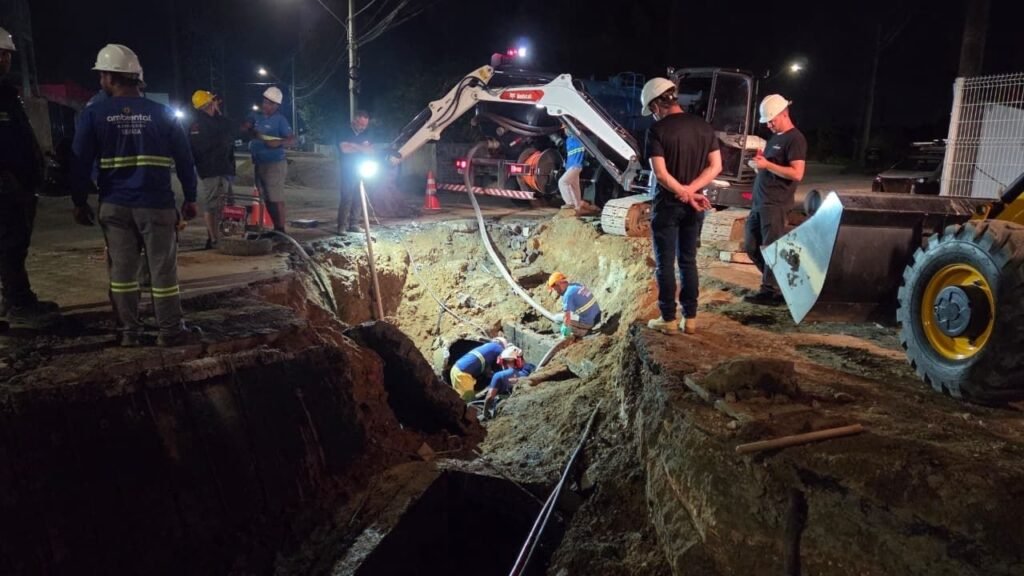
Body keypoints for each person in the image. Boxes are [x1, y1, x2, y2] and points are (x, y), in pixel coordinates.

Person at [71, 43, 200, 347]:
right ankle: (170, 331)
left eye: (101, 75)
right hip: (156, 205)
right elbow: (185, 160)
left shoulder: (93, 114)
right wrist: (191, 197)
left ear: (109, 76)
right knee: (162, 270)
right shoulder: (163, 114)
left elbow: (78, 161)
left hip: (114, 206)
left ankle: (130, 332)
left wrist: (78, 201)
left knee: (122, 272)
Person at [640, 77, 722, 336]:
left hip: (668, 205)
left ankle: (668, 318)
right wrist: (693, 191)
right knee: (688, 261)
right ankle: (691, 318)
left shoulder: (658, 131)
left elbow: (662, 175)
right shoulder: (704, 127)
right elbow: (716, 166)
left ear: (655, 105)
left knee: (665, 263)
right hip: (694, 206)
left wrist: (683, 193)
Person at [0, 27, 59, 326]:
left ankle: (15, 298)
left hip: (17, 184)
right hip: (6, 187)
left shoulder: (6, 93)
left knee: (13, 244)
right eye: (2, 54)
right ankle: (18, 303)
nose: (7, 60)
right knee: (10, 244)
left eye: (7, 54)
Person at [744, 94, 806, 305]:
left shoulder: (795, 139)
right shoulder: (775, 138)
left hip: (776, 203)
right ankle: (778, 284)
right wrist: (760, 164)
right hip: (760, 203)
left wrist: (767, 166)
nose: (769, 125)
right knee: (751, 246)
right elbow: (770, 167)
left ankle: (770, 291)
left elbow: (797, 173)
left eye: (771, 120)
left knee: (772, 248)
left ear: (783, 114)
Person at [188, 90, 236, 249]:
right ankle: (213, 238)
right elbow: (201, 148)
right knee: (212, 204)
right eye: (213, 101)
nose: (217, 103)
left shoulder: (216, 120)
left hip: (223, 168)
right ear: (208, 104)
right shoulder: (198, 124)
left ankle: (224, 235)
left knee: (227, 204)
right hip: (210, 170)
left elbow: (230, 127)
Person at [243, 87, 294, 232]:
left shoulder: (280, 120)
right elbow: (245, 128)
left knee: (275, 198)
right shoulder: (257, 117)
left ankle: (281, 230)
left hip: (274, 164)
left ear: (276, 106)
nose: (265, 105)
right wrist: (248, 128)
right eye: (264, 102)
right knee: (266, 198)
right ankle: (276, 228)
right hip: (259, 163)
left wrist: (278, 142)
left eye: (269, 103)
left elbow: (291, 139)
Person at [337, 110, 374, 234]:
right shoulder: (343, 131)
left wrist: (354, 145)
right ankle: (342, 226)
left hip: (362, 169)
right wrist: (361, 147)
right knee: (347, 197)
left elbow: (369, 151)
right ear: (354, 121)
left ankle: (354, 223)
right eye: (361, 125)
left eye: (365, 125)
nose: (363, 128)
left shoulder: (366, 134)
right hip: (348, 170)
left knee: (359, 197)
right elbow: (344, 149)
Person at [481, 345, 536, 420]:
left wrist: (485, 413)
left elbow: (490, 397)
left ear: (502, 362)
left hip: (505, 408)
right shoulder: (531, 368)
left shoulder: (498, 376)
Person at [558, 127, 600, 217]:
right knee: (574, 187)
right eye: (564, 129)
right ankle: (577, 208)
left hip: (576, 166)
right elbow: (569, 156)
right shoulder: (568, 140)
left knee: (562, 182)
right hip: (570, 167)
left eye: (566, 128)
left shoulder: (579, 138)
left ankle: (570, 204)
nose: (565, 131)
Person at [450, 337, 507, 401]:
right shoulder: (498, 347)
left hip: (456, 370)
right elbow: (506, 358)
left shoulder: (487, 348)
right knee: (468, 401)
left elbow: (487, 371)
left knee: (460, 399)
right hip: (462, 374)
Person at [547, 271, 601, 338]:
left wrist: (565, 330)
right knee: (568, 317)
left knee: (558, 319)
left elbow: (567, 318)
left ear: (558, 283)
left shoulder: (568, 295)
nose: (556, 292)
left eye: (555, 289)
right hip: (598, 316)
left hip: (589, 322)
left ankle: (583, 332)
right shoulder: (576, 286)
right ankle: (584, 327)